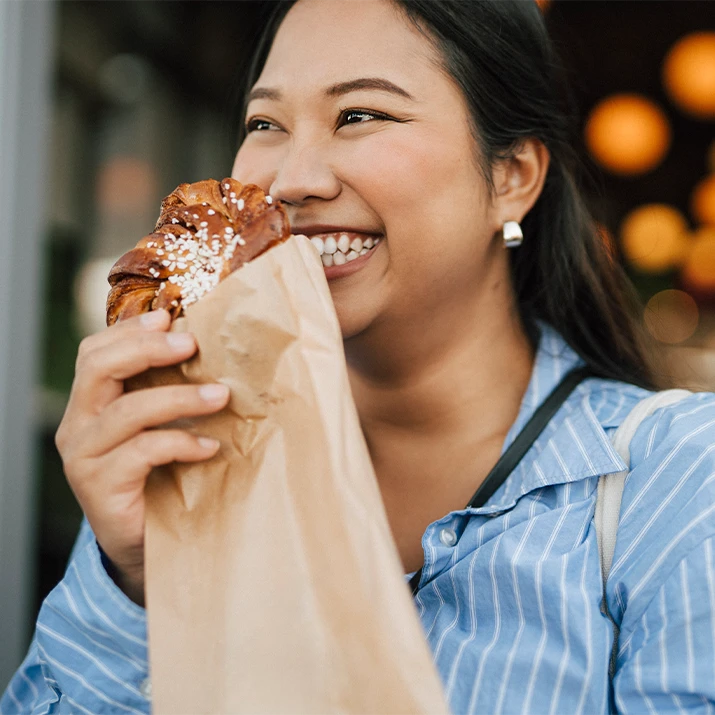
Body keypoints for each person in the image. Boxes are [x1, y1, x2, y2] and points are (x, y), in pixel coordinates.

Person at [3, 0, 715, 712]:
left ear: (512, 176)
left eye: (359, 116)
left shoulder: (675, 479)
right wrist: (135, 583)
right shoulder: (195, 453)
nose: (291, 179)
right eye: (264, 124)